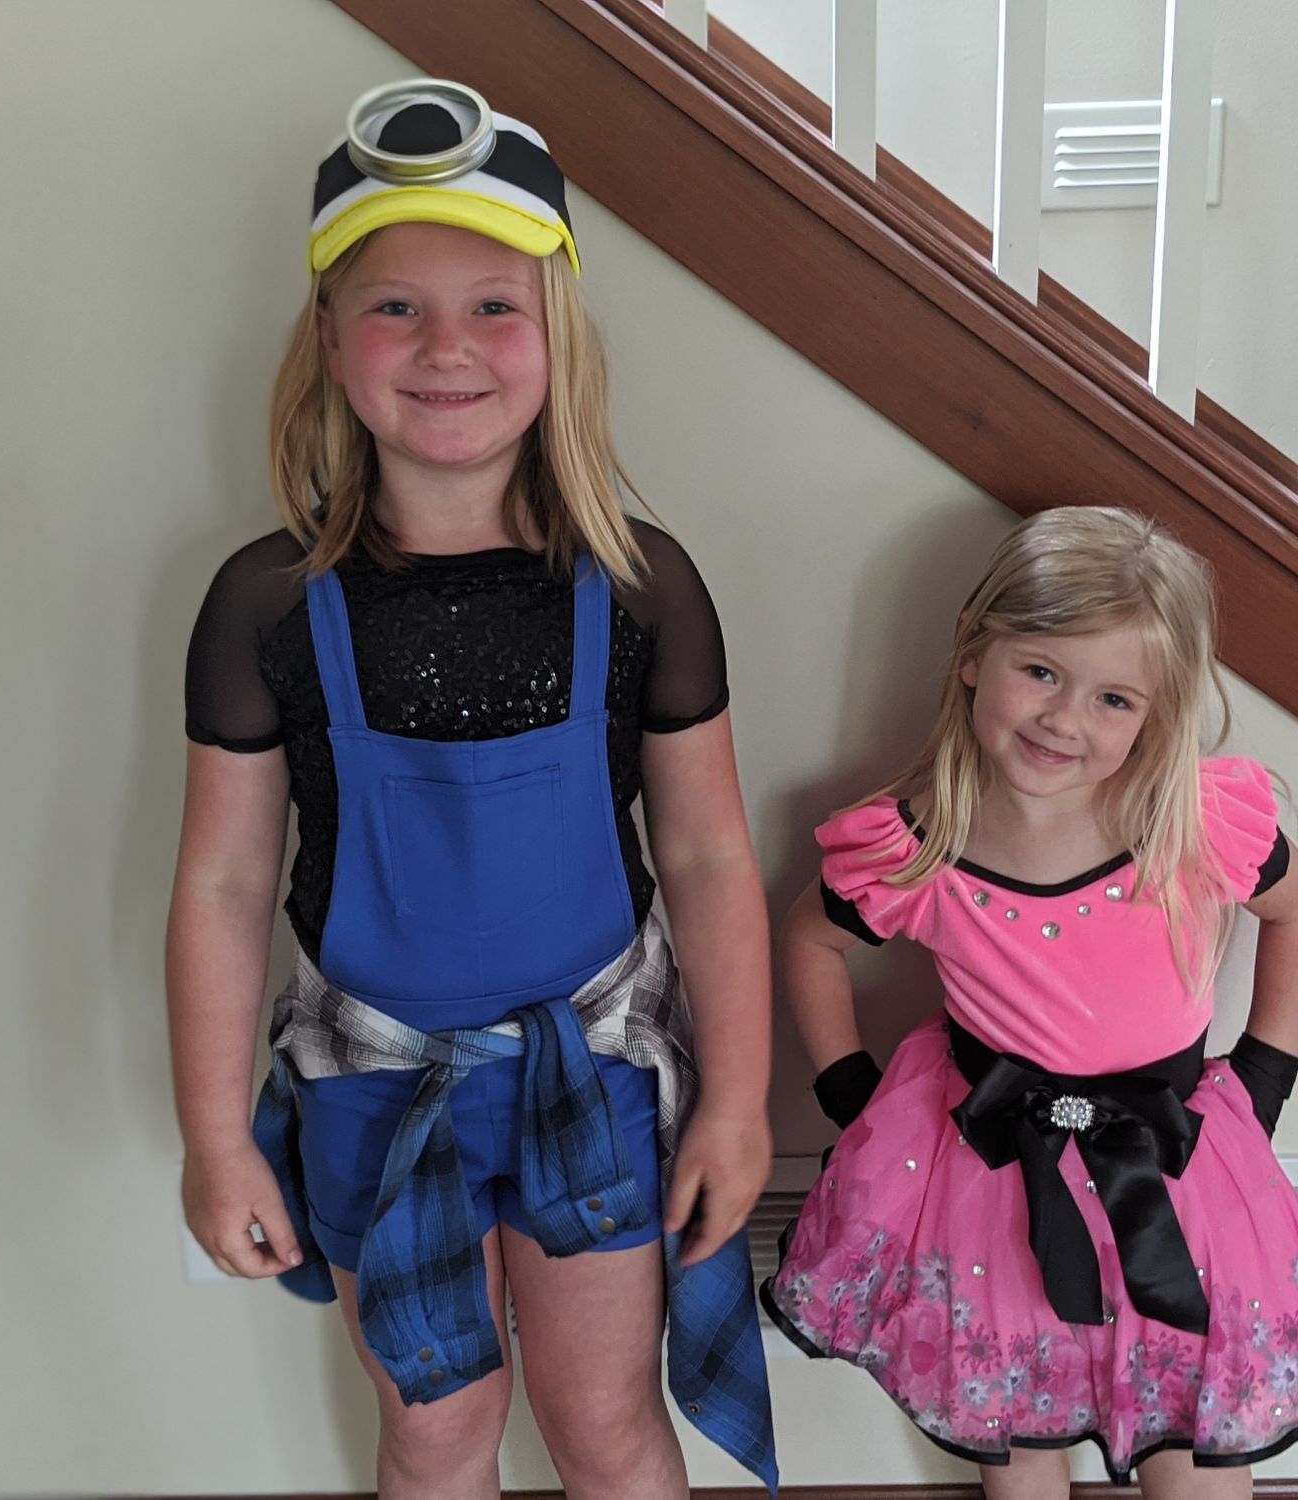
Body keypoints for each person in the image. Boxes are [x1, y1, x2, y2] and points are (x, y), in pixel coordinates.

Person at [165, 79, 776, 1500]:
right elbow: (224, 881)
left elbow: (705, 857)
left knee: (604, 1422)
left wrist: (738, 1103)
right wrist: (213, 1139)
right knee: (436, 1433)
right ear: (330, 339)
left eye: (495, 306)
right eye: (396, 307)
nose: (446, 347)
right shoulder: (263, 603)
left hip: (594, 1079)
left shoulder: (640, 585)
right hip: (371, 1087)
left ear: (556, 335)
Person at [763, 506, 1298, 1497]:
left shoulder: (1188, 824)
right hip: (989, 1170)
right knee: (1014, 1423)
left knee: (1196, 1435)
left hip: (1175, 1163)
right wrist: (852, 1093)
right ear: (975, 653)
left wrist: (1264, 1075)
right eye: (1040, 672)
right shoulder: (918, 843)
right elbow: (810, 938)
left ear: (1155, 715)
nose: (1063, 720)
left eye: (1112, 699)